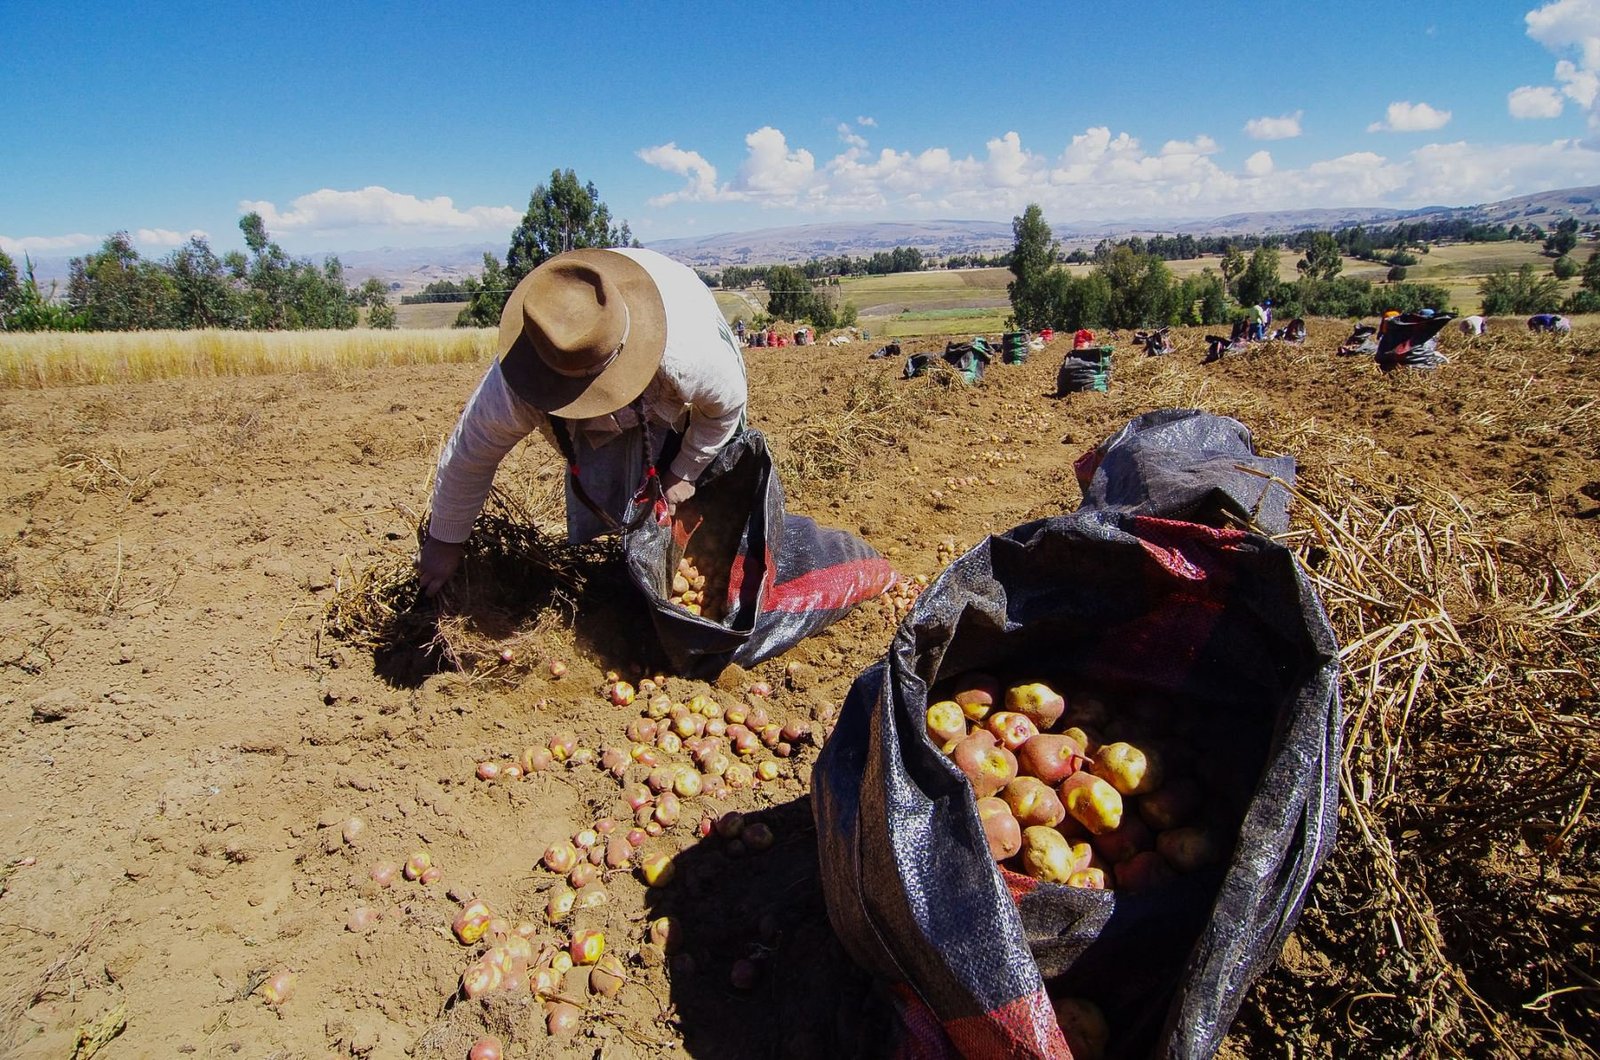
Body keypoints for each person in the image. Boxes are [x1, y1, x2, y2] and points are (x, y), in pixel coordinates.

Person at [416, 247, 747, 596]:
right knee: (611, 472)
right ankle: (632, 559)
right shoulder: (518, 378)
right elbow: (469, 456)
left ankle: (715, 553)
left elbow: (726, 407)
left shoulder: (685, 355)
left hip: (678, 328)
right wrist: (444, 542)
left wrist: (685, 472)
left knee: (712, 476)